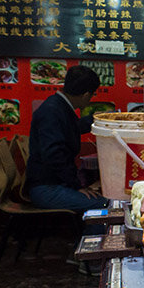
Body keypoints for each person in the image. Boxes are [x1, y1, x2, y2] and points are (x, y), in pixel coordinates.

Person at [25, 65, 108, 212]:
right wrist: (75, 186)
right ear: (86, 95)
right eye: (92, 95)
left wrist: (100, 119)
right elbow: (54, 155)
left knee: (102, 198)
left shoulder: (59, 105)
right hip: (46, 187)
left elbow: (74, 127)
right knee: (103, 205)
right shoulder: (52, 111)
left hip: (56, 183)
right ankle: (90, 235)